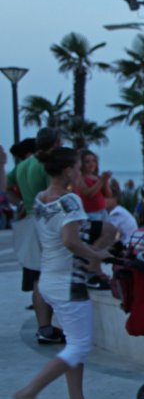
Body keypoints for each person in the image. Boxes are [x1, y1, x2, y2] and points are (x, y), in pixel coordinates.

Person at [11, 146, 115, 399]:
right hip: (69, 283)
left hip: (49, 280)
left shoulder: (43, 199)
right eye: (79, 168)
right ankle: (27, 394)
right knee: (80, 346)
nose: (81, 172)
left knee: (74, 341)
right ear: (69, 170)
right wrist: (98, 255)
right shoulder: (70, 201)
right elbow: (71, 241)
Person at [7, 128, 65, 344]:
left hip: (31, 222)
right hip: (48, 224)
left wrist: (20, 203)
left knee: (36, 279)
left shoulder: (24, 165)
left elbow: (6, 185)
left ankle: (44, 328)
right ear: (57, 143)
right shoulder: (48, 165)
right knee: (45, 278)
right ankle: (49, 329)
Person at [75, 149, 112, 221]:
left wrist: (105, 182)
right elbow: (88, 194)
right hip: (90, 213)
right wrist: (101, 181)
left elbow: (108, 195)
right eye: (87, 162)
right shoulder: (80, 178)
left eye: (93, 161)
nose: (91, 164)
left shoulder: (97, 177)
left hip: (103, 211)